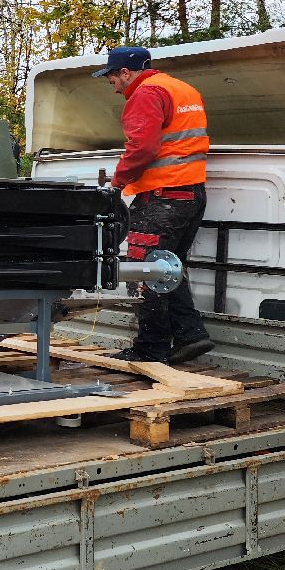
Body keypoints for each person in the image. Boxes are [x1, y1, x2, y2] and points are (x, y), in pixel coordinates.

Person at [93, 45, 214, 364]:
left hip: (163, 197)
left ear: (125, 72)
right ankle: (190, 334)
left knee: (143, 268)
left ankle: (151, 347)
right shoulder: (184, 89)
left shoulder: (145, 94)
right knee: (168, 268)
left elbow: (142, 148)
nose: (113, 85)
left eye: (112, 78)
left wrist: (117, 181)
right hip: (191, 194)